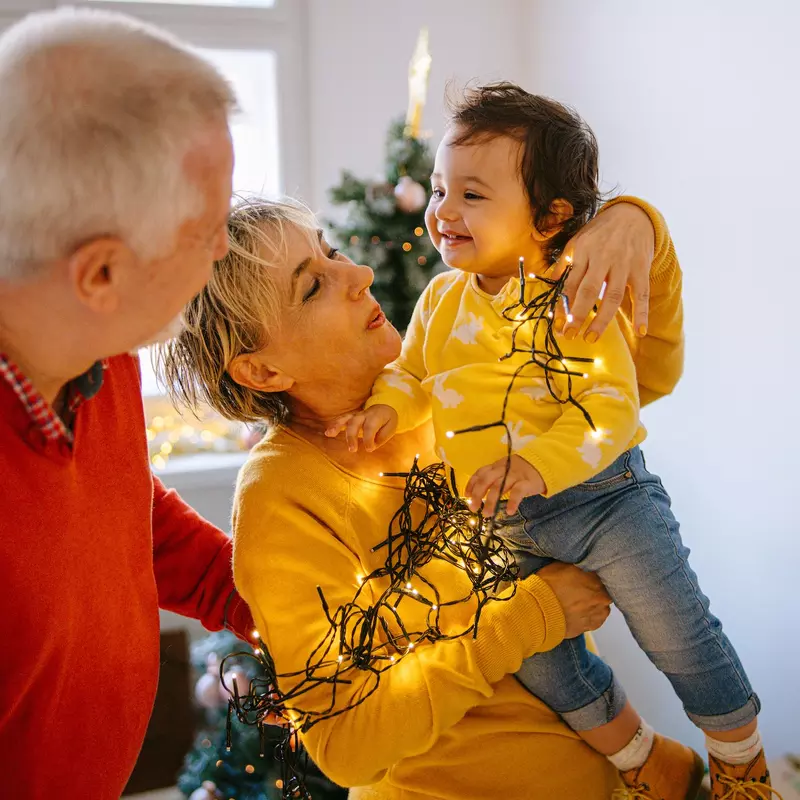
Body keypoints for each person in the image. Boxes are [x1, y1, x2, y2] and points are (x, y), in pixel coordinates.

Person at [160, 190, 685, 800]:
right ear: (262, 372)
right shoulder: (282, 496)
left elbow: (634, 381)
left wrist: (640, 227)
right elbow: (347, 747)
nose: (359, 275)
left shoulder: (445, 374)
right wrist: (529, 617)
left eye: (332, 254)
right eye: (312, 286)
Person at [329, 83, 769, 800]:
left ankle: (740, 758)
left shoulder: (574, 293)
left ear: (550, 216)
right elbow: (414, 374)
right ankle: (637, 760)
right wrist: (387, 407)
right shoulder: (441, 301)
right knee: (546, 666)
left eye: (472, 195)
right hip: (500, 521)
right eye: (440, 189)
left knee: (677, 633)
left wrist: (537, 464)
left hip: (605, 502)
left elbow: (611, 410)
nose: (442, 211)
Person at [0, 8, 257, 797]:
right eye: (205, 231)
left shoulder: (98, 353)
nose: (224, 249)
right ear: (101, 275)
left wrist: (259, 591)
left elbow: (121, 517)